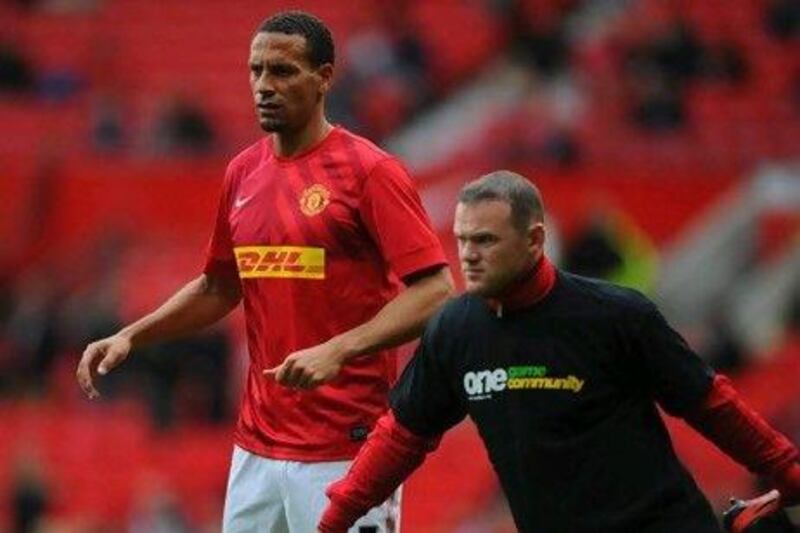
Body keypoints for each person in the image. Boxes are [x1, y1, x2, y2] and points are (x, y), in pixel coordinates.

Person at [75, 10, 453, 533]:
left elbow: (436, 290)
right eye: (255, 71)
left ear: (323, 78)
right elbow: (218, 285)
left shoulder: (370, 172)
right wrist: (132, 336)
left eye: (282, 71)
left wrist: (339, 349)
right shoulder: (242, 173)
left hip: (345, 446)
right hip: (256, 447)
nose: (263, 86)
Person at [318, 171, 800, 532]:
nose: (467, 255)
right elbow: (400, 437)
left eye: (485, 240)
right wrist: (336, 517)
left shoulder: (614, 314)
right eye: (464, 240)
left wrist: (787, 470)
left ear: (535, 241)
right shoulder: (455, 329)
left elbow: (710, 404)